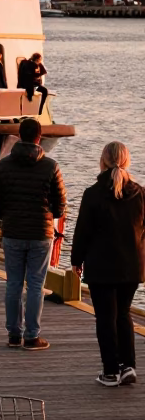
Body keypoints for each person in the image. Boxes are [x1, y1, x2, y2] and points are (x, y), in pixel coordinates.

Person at [0, 116, 67, 350]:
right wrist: (47, 213)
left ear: (19, 136)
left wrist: (9, 216)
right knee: (35, 284)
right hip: (41, 234)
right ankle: (32, 336)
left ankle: (13, 334)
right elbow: (60, 204)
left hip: (13, 231)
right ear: (39, 137)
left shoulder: (3, 165)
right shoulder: (50, 166)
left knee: (13, 283)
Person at [71, 143, 145, 387]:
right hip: (132, 266)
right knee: (123, 314)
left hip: (101, 265)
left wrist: (76, 261)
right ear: (127, 161)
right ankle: (129, 366)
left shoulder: (92, 193)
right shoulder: (141, 194)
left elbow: (83, 231)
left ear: (102, 161)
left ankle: (111, 371)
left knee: (105, 317)